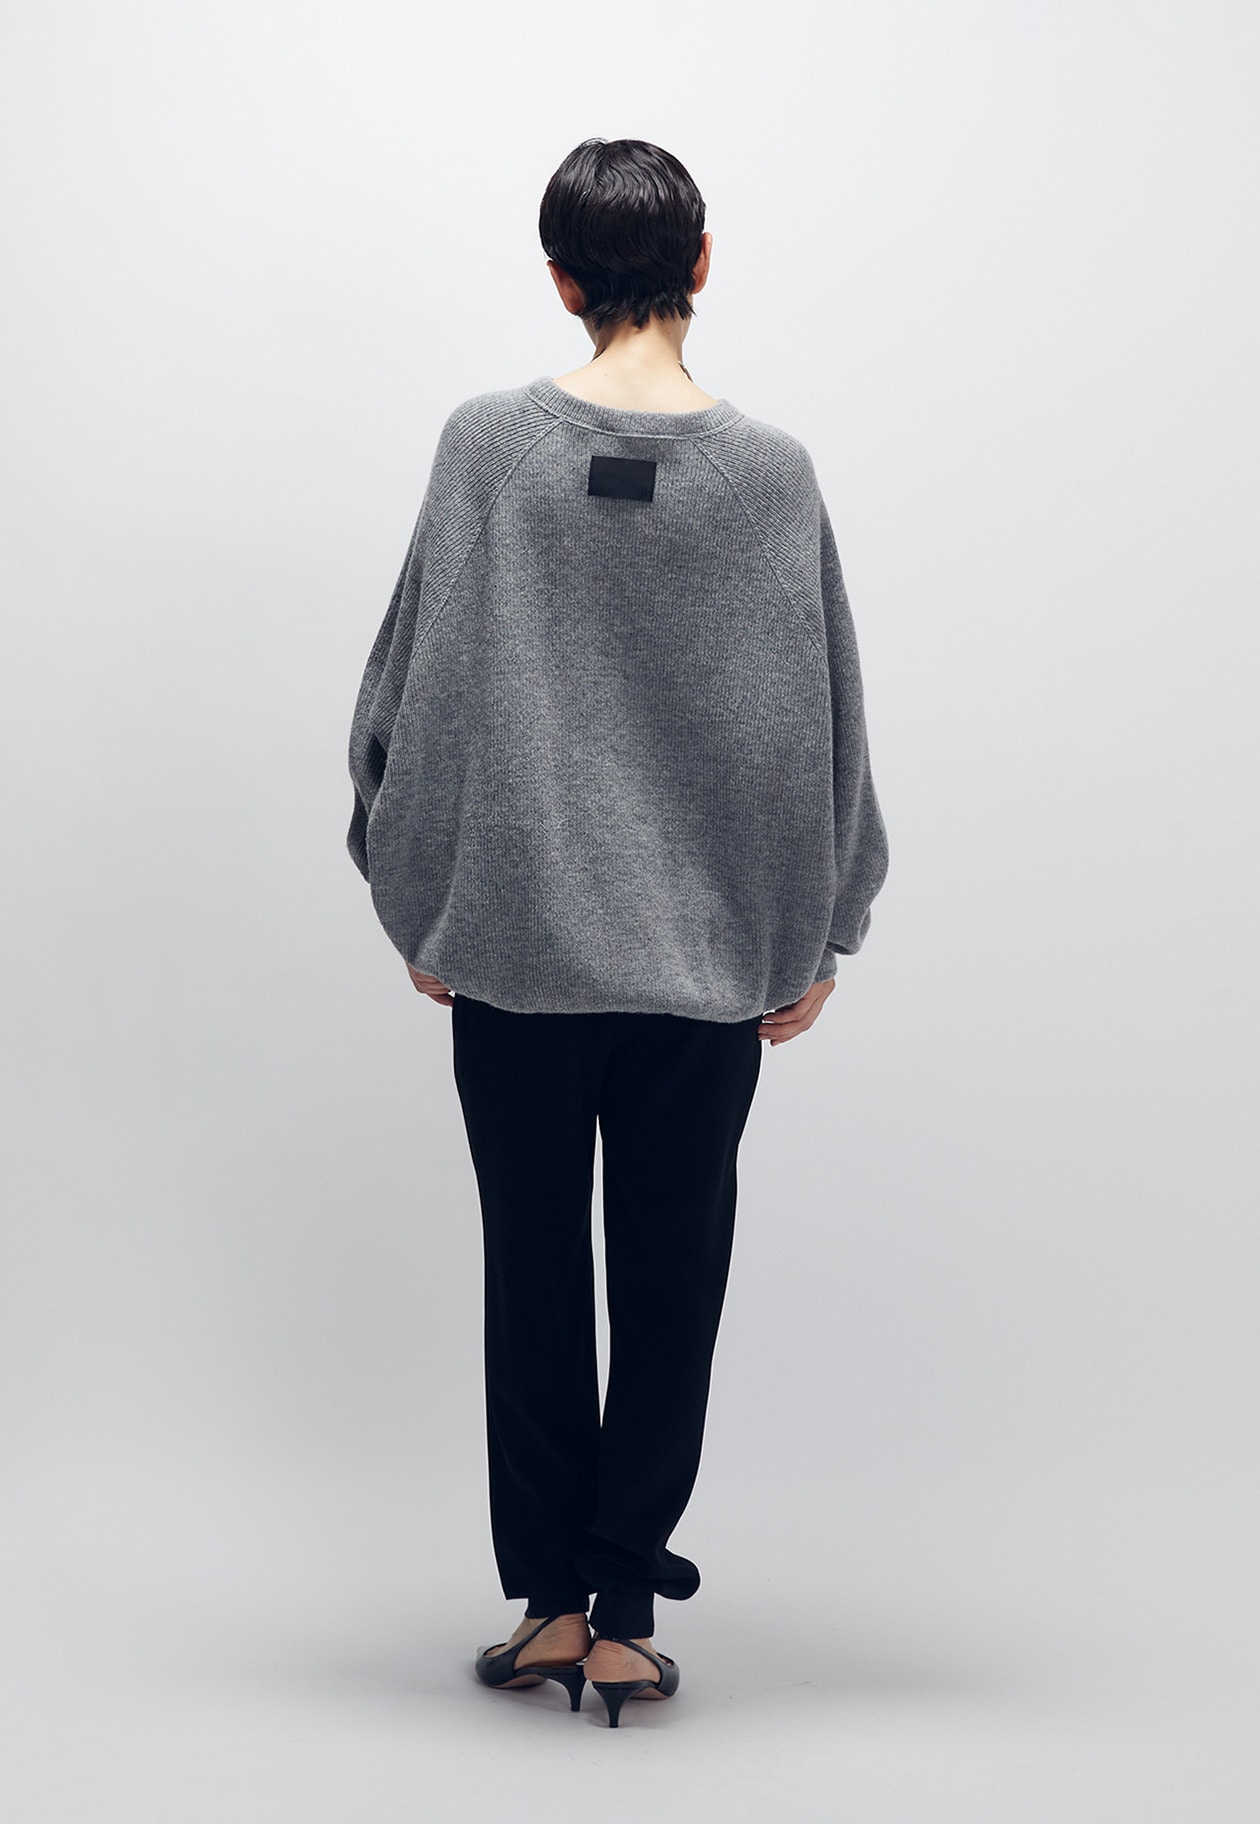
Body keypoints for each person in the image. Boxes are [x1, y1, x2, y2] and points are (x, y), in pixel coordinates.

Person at [345, 136, 889, 1727]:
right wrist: (821, 930)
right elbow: (822, 726)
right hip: (706, 971)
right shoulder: (771, 474)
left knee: (532, 1273)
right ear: (702, 265)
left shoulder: (487, 451)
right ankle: (628, 1616)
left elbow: (408, 693)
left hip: (516, 955)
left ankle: (550, 1607)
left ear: (561, 278)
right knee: (672, 1277)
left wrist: (420, 892)